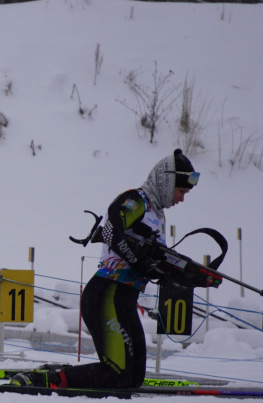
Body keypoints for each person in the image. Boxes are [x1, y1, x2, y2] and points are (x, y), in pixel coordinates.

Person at [11, 149, 208, 390]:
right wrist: (142, 263)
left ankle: (57, 375)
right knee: (118, 374)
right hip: (105, 296)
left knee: (133, 379)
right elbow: (110, 232)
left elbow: (157, 261)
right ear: (167, 182)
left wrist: (192, 276)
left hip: (125, 301)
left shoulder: (158, 216)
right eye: (181, 191)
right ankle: (44, 380)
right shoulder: (137, 201)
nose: (181, 199)